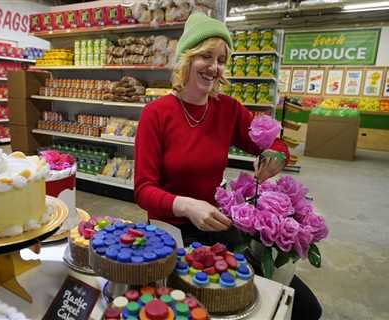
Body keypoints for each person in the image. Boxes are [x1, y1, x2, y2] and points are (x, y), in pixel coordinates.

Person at [134, 12, 322, 320]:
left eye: (221, 59)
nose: (214, 67)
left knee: (303, 307)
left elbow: (275, 143)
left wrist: (275, 156)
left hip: (220, 224)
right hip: (172, 231)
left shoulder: (228, 109)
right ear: (186, 59)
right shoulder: (157, 114)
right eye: (205, 56)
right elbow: (143, 190)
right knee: (203, 308)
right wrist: (186, 206)